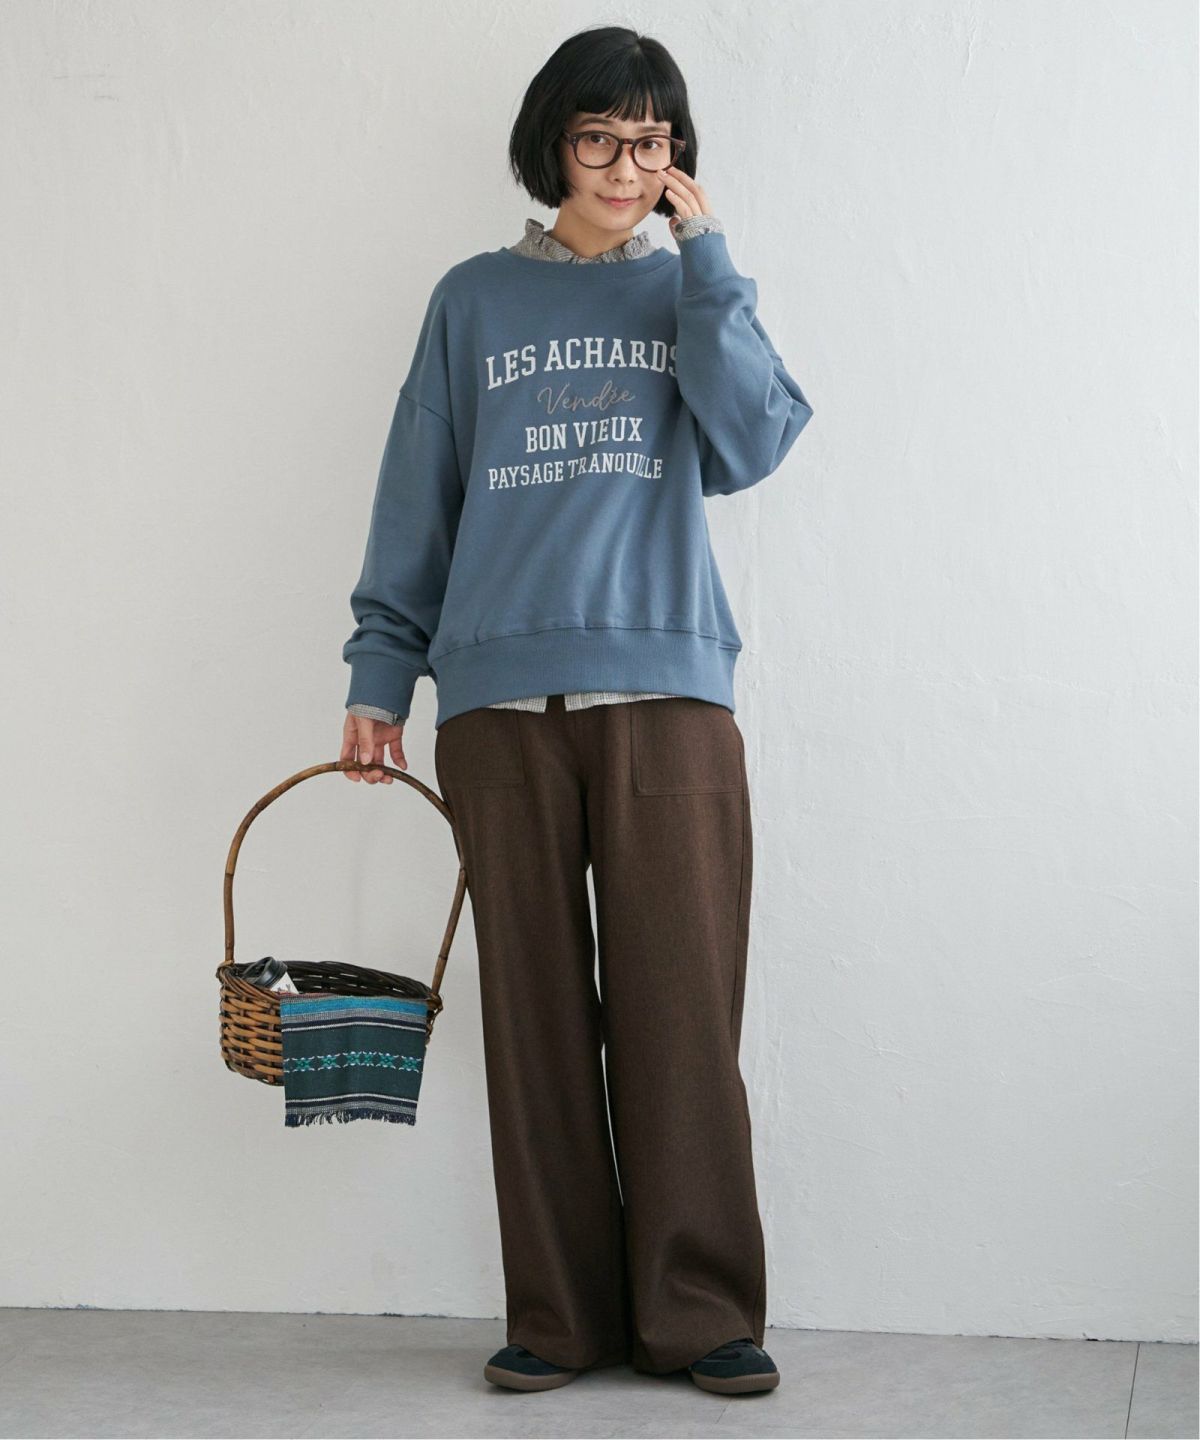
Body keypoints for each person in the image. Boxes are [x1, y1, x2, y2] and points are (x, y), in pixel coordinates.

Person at [338, 24, 813, 1398]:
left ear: (677, 161)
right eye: (600, 135)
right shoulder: (473, 299)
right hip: (497, 706)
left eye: (651, 141)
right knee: (533, 1023)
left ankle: (698, 1313)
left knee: (681, 1017)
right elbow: (418, 491)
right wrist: (380, 672)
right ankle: (558, 1314)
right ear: (554, 141)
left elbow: (755, 441)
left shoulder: (688, 289)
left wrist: (707, 260)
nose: (623, 164)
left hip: (667, 696)